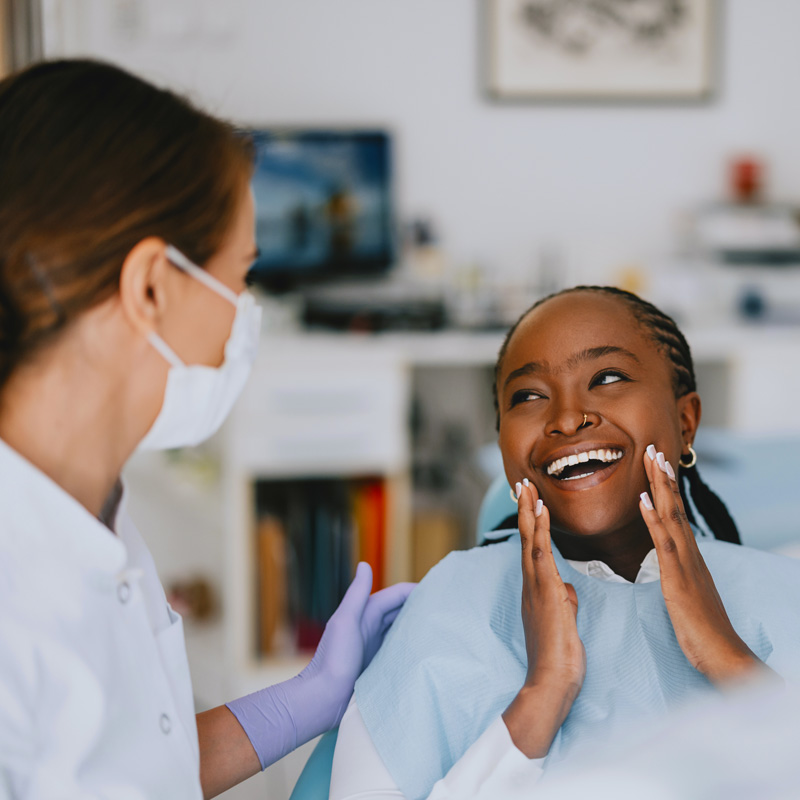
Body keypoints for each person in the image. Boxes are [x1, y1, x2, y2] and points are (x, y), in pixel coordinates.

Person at [0, 59, 414, 799]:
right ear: (151, 287)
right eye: (241, 278)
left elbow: (122, 764)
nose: (243, 315)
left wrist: (304, 700)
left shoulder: (91, 511)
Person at [330, 286, 800, 800]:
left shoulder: (784, 594)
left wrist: (731, 663)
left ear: (685, 422)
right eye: (529, 396)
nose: (567, 418)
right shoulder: (448, 604)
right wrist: (541, 694)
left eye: (608, 378)